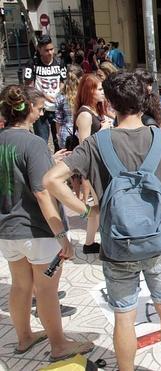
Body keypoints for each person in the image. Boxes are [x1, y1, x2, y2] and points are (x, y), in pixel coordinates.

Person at [45, 72, 161, 371]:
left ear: (111, 105)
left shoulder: (97, 143)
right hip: (159, 244)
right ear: (143, 102)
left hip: (117, 246)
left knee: (124, 316)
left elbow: (51, 180)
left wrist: (85, 212)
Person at [0, 85, 95, 362]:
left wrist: (47, 162)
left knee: (20, 286)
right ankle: (58, 344)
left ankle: (24, 337)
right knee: (46, 289)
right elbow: (42, 192)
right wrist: (62, 234)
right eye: (40, 109)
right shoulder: (34, 143)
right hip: (37, 230)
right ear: (28, 109)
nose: (42, 113)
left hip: (8, 229)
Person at [75, 74, 113, 254]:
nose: (102, 92)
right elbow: (84, 145)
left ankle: (89, 243)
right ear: (89, 91)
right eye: (99, 89)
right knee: (103, 206)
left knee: (98, 208)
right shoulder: (85, 114)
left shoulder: (95, 111)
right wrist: (104, 130)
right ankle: (104, 243)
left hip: (101, 164)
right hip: (94, 168)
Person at [24, 34, 67, 152]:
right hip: (40, 108)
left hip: (57, 107)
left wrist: (59, 95)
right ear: (39, 50)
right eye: (46, 50)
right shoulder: (32, 64)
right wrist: (44, 96)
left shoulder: (59, 62)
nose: (50, 53)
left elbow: (63, 82)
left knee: (59, 140)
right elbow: (29, 86)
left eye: (52, 49)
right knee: (41, 139)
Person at [55, 64, 83, 150]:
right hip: (82, 132)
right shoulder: (83, 94)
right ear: (81, 77)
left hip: (66, 134)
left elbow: (58, 119)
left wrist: (58, 134)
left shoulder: (60, 95)